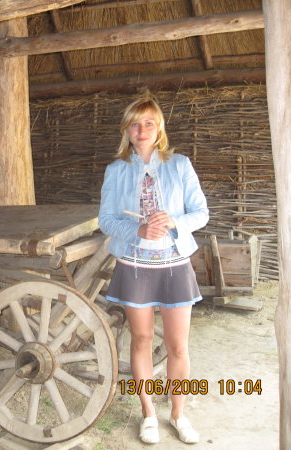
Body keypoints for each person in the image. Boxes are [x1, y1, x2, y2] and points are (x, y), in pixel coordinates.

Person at [98, 95, 209, 444]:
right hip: (135, 265)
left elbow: (201, 213)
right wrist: (138, 230)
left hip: (174, 264)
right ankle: (148, 414)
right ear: (126, 131)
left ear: (159, 127)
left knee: (178, 346)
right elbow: (106, 220)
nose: (142, 129)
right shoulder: (116, 170)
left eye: (148, 123)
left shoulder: (180, 165)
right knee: (142, 339)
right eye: (135, 124)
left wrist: (174, 222)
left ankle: (178, 414)